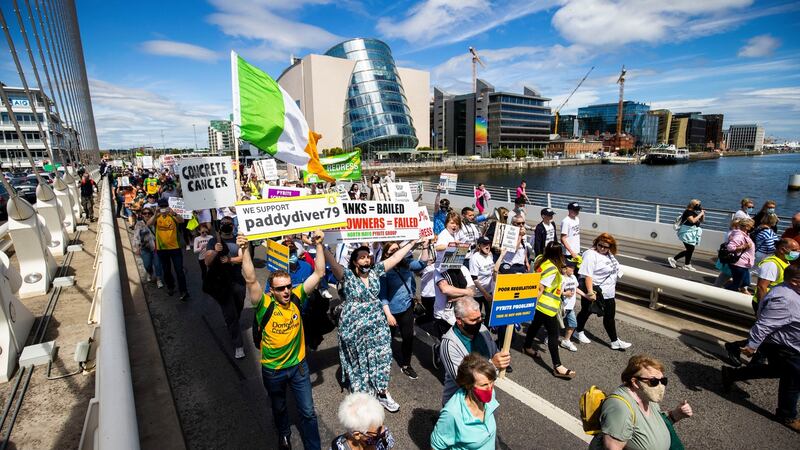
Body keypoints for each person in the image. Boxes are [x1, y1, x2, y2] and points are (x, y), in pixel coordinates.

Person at [240, 231, 326, 450]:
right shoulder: (264, 304)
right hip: (273, 370)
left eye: (288, 286)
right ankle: (284, 434)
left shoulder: (298, 296)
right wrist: (244, 249)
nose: (286, 291)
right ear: (272, 290)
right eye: (280, 288)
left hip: (299, 368)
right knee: (279, 408)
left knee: (307, 412)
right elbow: (250, 278)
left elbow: (318, 272)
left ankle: (313, 447)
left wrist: (319, 245)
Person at [324, 240, 418, 412]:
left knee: (383, 356)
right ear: (354, 261)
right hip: (353, 326)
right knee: (359, 361)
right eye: (361, 257)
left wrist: (413, 242)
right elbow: (332, 262)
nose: (366, 260)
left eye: (368, 257)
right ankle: (362, 397)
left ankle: (383, 392)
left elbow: (397, 256)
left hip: (377, 324)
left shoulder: (376, 271)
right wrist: (320, 245)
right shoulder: (347, 276)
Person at [721, 264, 800, 432]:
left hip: (789, 344)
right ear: (794, 281)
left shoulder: (790, 291)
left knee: (778, 370)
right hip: (785, 347)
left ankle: (732, 374)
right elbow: (764, 324)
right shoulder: (785, 299)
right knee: (793, 380)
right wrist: (751, 346)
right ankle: (787, 415)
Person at [590, 355, 693, 450]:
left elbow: (650, 425)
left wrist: (676, 415)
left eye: (663, 381)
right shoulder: (620, 408)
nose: (661, 386)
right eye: (654, 382)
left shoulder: (646, 396)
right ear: (635, 382)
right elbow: (612, 447)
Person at [723, 238, 799, 366]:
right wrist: (762, 309)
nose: (797, 252)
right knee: (767, 333)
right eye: (795, 250)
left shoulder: (785, 262)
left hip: (777, 304)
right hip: (768, 304)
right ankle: (741, 351)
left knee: (771, 335)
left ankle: (753, 360)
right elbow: (762, 287)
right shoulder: (772, 264)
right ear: (782, 249)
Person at [439, 298, 511, 405]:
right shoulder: (449, 345)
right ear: (459, 321)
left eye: (479, 318)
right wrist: (493, 365)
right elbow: (462, 381)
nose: (478, 323)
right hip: (460, 403)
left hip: (483, 397)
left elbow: (493, 351)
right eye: (473, 320)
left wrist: (501, 358)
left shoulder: (482, 329)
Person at [523, 241, 576, 378]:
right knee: (554, 334)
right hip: (547, 306)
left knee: (535, 326)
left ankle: (527, 346)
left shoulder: (541, 260)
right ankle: (557, 366)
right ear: (559, 254)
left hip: (541, 305)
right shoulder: (553, 270)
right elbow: (540, 288)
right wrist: (530, 304)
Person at [378, 241, 430, 380]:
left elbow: (422, 264)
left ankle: (406, 365)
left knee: (408, 338)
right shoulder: (383, 270)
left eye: (397, 249)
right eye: (391, 251)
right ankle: (382, 363)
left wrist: (425, 246)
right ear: (386, 254)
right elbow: (382, 295)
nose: (395, 253)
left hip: (406, 308)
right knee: (386, 339)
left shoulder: (406, 263)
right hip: (390, 312)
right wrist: (388, 315)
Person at [574, 233, 632, 351]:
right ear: (596, 243)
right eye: (600, 245)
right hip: (595, 291)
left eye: (606, 247)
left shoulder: (609, 254)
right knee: (586, 311)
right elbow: (588, 275)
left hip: (609, 292)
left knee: (609, 316)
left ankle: (614, 341)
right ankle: (577, 331)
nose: (602, 248)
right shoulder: (590, 255)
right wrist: (590, 293)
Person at [431, 354, 500, 450]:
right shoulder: (452, 414)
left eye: (492, 381)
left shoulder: (490, 394)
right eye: (484, 385)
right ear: (468, 385)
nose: (490, 388)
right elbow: (436, 446)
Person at [205, 216, 247, 358]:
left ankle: (232, 321)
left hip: (238, 281)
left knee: (238, 306)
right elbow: (207, 262)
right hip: (222, 283)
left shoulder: (238, 240)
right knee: (230, 314)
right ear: (220, 226)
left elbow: (243, 258)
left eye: (229, 223)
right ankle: (238, 345)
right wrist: (216, 251)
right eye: (223, 223)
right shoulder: (213, 241)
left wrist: (230, 260)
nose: (226, 225)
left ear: (233, 226)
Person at [147, 199, 188, 301]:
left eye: (165, 206)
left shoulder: (172, 215)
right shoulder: (157, 217)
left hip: (175, 248)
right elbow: (148, 224)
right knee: (166, 270)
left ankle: (184, 290)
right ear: (159, 207)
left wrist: (173, 213)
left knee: (179, 270)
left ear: (168, 206)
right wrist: (155, 214)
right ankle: (170, 286)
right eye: (161, 207)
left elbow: (182, 220)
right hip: (162, 249)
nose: (163, 209)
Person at [331, 393, 395, 450]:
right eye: (378, 430)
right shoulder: (338, 448)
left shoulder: (383, 434)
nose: (384, 430)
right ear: (357, 435)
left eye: (382, 423)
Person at [668, 199, 704, 271]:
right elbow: (692, 220)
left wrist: (702, 213)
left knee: (690, 249)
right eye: (698, 205)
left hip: (691, 232)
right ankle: (674, 259)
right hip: (686, 232)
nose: (699, 206)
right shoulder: (688, 212)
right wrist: (700, 214)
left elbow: (701, 220)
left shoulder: (694, 212)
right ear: (693, 205)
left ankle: (687, 264)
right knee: (690, 249)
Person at [131, 207, 163, 288]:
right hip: (145, 247)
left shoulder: (156, 222)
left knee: (157, 264)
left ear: (152, 214)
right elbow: (136, 236)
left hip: (156, 246)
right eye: (145, 213)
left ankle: (159, 279)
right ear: (142, 215)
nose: (147, 215)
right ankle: (150, 273)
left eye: (149, 213)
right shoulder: (139, 224)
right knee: (147, 264)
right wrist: (136, 248)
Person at [725, 218, 755, 294]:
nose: (753, 227)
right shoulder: (739, 235)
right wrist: (744, 246)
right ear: (746, 227)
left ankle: (740, 292)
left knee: (745, 282)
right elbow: (730, 247)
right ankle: (725, 294)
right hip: (739, 264)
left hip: (744, 264)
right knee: (737, 284)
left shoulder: (744, 234)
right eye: (751, 226)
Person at [559, 260, 583, 352]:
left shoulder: (573, 277)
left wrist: (585, 296)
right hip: (561, 307)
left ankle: (566, 340)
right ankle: (549, 339)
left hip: (570, 307)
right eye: (571, 267)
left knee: (573, 324)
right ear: (564, 269)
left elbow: (576, 288)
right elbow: (557, 291)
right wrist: (565, 293)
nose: (573, 269)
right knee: (557, 325)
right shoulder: (561, 278)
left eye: (573, 267)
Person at [469, 237, 495, 316]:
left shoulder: (490, 255)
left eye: (489, 244)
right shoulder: (475, 258)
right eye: (484, 244)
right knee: (477, 315)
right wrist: (485, 294)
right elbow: (474, 279)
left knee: (489, 315)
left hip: (489, 291)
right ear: (479, 246)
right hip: (478, 294)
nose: (487, 246)